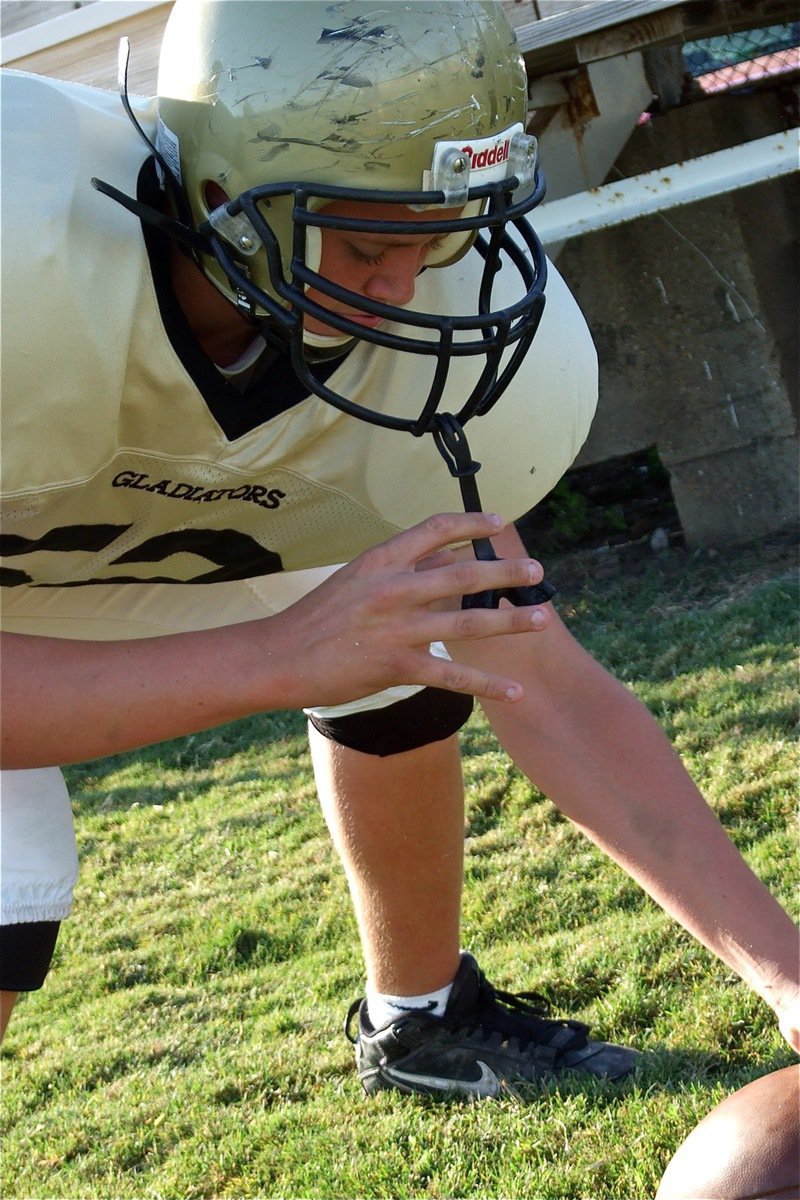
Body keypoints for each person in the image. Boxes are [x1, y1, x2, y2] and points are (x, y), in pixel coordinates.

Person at [1, 0, 797, 1097]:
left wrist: (786, 978)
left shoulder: (414, 322)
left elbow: (540, 674)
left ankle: (418, 1022)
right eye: (371, 242)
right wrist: (277, 657)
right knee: (13, 871)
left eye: (435, 241)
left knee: (416, 617)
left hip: (89, 550)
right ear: (223, 197)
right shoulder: (22, 254)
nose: (401, 290)